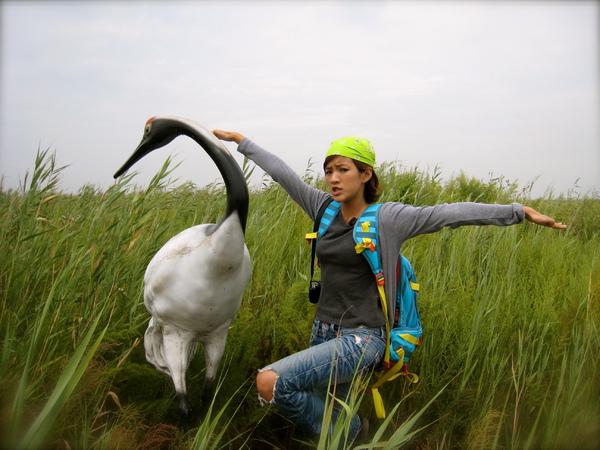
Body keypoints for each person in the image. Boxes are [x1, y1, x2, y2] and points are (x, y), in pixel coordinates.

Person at [213, 130, 566, 443]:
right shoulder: (323, 209)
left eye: (343, 170)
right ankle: (350, 437)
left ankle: (355, 433)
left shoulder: (389, 219)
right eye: (328, 170)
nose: (333, 179)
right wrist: (244, 143)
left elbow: (450, 213)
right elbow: (283, 175)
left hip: (362, 337)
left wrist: (519, 211)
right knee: (329, 413)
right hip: (323, 331)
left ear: (366, 174)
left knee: (272, 382)